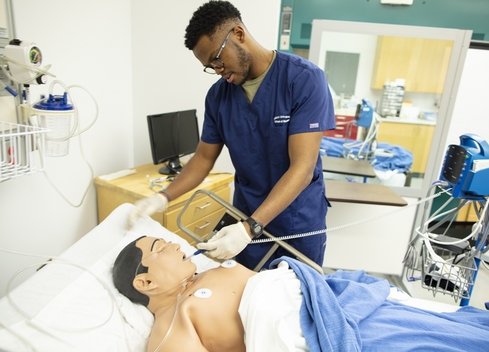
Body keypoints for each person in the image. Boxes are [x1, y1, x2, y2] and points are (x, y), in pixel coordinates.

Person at [127, 0, 335, 270]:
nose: (217, 70)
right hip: (246, 214)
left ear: (238, 34)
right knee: (245, 294)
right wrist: (162, 197)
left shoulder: (303, 80)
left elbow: (303, 168)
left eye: (217, 59)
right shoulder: (218, 96)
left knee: (296, 299)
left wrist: (249, 229)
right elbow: (203, 158)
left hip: (296, 218)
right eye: (209, 66)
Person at [114, 235, 489, 352]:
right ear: (145, 283)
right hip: (311, 329)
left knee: (437, 326)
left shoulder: (205, 273)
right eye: (161, 248)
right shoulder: (170, 329)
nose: (175, 245)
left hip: (328, 301)